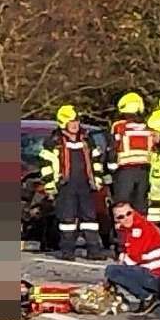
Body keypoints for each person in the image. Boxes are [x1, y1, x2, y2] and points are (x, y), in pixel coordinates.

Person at [103, 200, 160, 315]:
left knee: (112, 271)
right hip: (159, 276)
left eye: (129, 214)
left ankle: (146, 297)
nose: (126, 218)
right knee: (117, 271)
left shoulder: (139, 229)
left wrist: (111, 277)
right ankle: (148, 297)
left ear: (134, 212)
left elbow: (133, 260)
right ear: (116, 219)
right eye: (121, 217)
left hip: (159, 278)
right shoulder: (131, 228)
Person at [50, 103, 104, 260]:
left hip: (86, 184)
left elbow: (95, 160)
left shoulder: (87, 139)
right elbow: (46, 163)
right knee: (67, 220)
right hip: (66, 184)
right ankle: (67, 251)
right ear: (63, 123)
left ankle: (94, 251)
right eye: (71, 122)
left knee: (90, 219)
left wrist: (97, 179)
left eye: (76, 121)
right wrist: (50, 184)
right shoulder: (55, 141)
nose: (75, 125)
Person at [108, 90, 155, 218]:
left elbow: (113, 147)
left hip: (125, 172)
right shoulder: (149, 126)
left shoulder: (119, 126)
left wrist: (110, 170)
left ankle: (123, 229)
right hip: (145, 171)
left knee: (122, 207)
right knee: (140, 207)